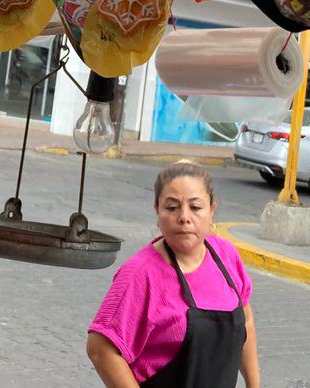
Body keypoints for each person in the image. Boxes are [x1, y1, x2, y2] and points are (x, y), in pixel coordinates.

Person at [88, 161, 260, 388]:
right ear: (157, 212)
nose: (184, 217)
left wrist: (254, 385)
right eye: (172, 207)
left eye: (196, 207)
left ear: (212, 211)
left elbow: (245, 319)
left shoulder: (226, 256)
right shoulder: (140, 274)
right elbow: (100, 348)